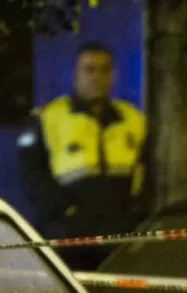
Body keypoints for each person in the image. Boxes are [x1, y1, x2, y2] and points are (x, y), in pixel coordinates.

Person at [17, 42, 155, 271]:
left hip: (118, 239)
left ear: (113, 75)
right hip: (69, 241)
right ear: (75, 74)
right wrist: (65, 213)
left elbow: (147, 176)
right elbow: (32, 176)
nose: (97, 77)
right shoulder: (47, 118)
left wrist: (136, 217)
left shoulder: (133, 120)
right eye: (89, 70)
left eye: (104, 70)